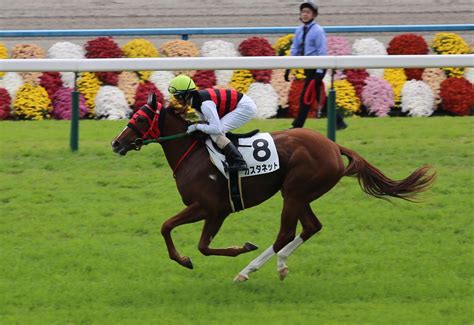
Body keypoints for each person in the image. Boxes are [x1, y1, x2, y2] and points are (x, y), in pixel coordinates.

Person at [168, 74, 257, 172]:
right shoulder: (195, 102)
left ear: (186, 94)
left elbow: (216, 129)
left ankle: (239, 162)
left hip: (245, 107)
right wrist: (198, 126)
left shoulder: (205, 104)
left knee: (217, 132)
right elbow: (205, 122)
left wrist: (197, 126)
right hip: (238, 104)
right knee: (211, 130)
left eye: (177, 96)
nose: (176, 99)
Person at [285, 0, 347, 130]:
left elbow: (322, 52)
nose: (305, 14)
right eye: (303, 12)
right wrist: (288, 67)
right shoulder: (299, 30)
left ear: (313, 15)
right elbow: (294, 50)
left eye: (308, 12)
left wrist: (320, 71)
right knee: (319, 98)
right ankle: (339, 122)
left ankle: (297, 125)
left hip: (317, 69)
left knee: (306, 97)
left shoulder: (318, 31)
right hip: (308, 69)